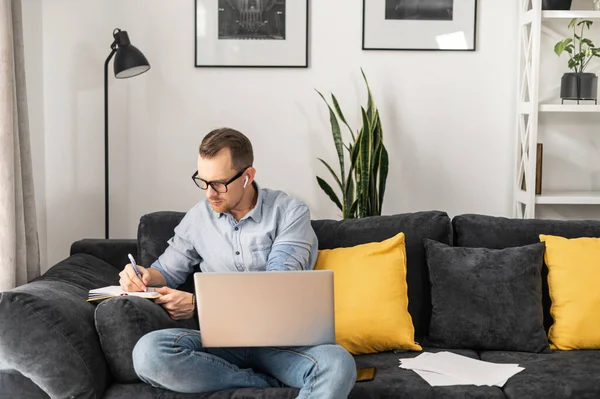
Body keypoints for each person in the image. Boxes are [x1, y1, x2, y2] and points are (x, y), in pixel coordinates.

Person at [120, 128, 357, 398]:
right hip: (219, 342)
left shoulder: (289, 212)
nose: (209, 194)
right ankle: (260, 383)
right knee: (148, 353)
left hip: (281, 344)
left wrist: (198, 306)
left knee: (337, 363)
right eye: (203, 181)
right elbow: (165, 271)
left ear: (248, 176)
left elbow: (277, 288)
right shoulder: (199, 217)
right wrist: (143, 275)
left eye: (219, 183)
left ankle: (274, 376)